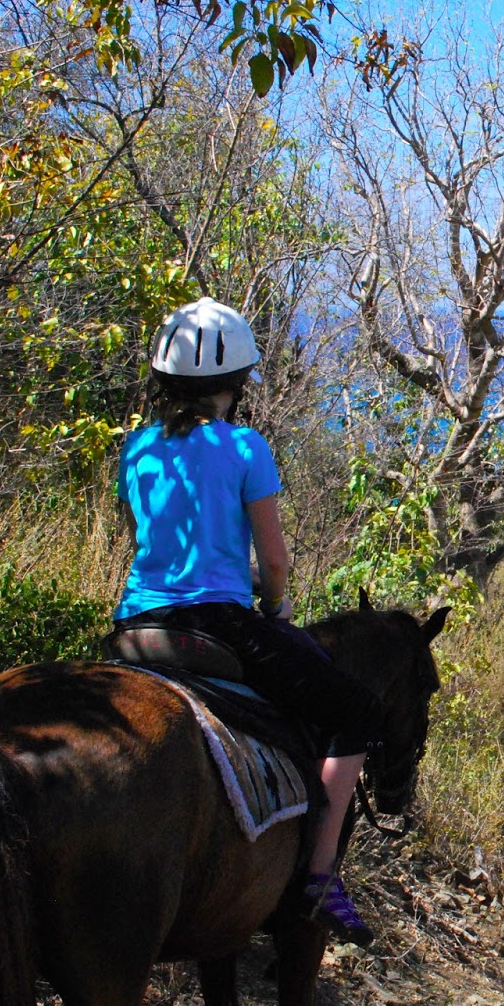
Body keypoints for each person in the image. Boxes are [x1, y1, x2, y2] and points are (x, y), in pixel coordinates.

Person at [114, 296, 380, 947]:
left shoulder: (137, 447)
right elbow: (277, 560)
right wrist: (273, 605)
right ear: (235, 383)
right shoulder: (245, 446)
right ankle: (319, 876)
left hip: (134, 626)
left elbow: (148, 543)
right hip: (219, 624)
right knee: (354, 709)